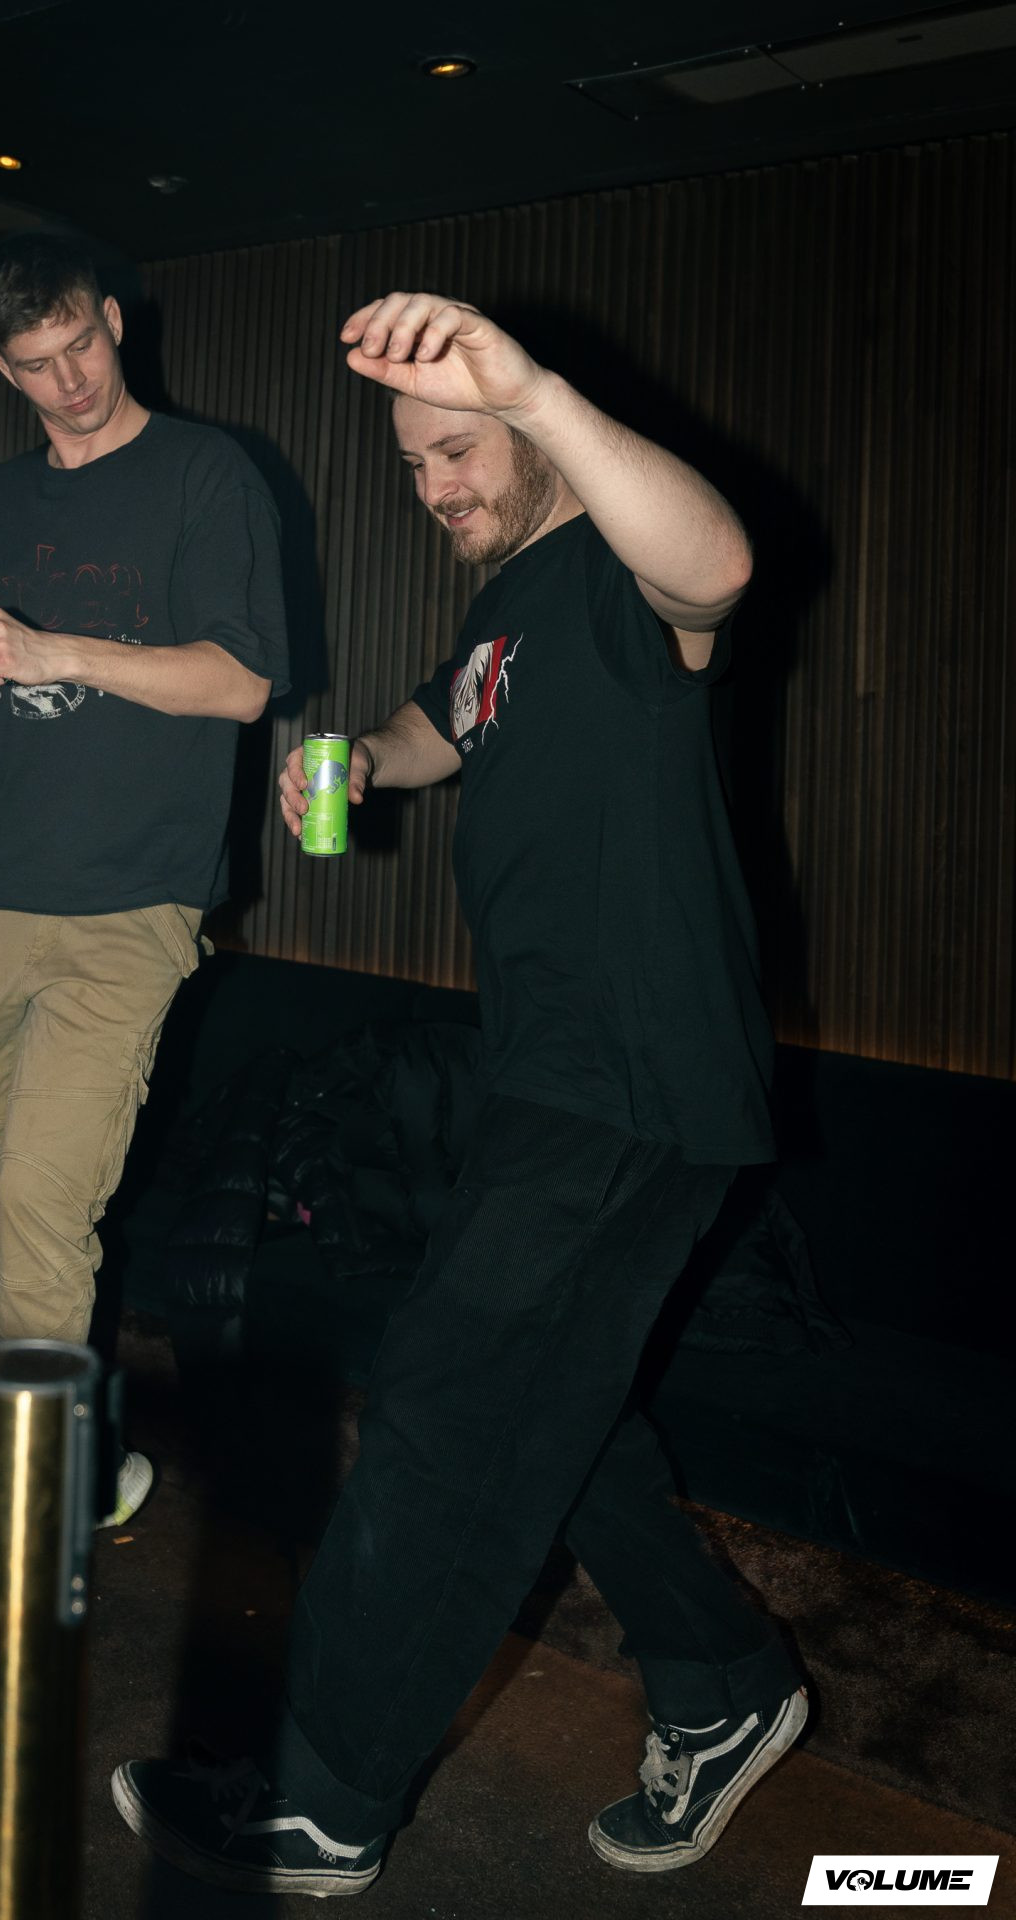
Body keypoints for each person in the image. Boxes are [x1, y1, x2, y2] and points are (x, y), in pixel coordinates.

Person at [111, 291, 807, 1894]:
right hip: (551, 1065)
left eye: (458, 450)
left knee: (443, 1403)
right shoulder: (509, 612)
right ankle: (725, 1683)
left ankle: (321, 1803)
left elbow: (716, 568)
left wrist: (537, 392)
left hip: (634, 1070)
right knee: (549, 1406)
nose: (434, 484)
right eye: (415, 462)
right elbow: (448, 718)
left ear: (532, 429)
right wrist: (361, 754)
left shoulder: (621, 568)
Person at [0, 232, 290, 1763]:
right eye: (36, 365)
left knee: (40, 1218)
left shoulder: (208, 475)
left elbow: (242, 681)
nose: (68, 380)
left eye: (82, 345)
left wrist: (54, 645)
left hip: (129, 914)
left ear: (115, 323)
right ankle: (74, 1450)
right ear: (3, 369)